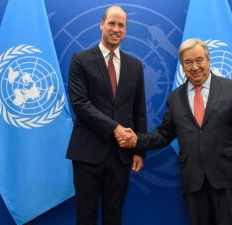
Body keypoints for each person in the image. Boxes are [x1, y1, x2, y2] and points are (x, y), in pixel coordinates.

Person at [117, 38, 232, 225]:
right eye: (188, 62)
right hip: (194, 180)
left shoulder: (231, 89)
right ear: (182, 66)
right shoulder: (175, 98)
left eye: (199, 60)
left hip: (228, 178)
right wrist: (137, 140)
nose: (195, 66)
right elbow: (164, 134)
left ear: (208, 61)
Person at [66, 6, 147, 225]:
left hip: (121, 155)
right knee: (86, 216)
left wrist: (139, 150)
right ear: (101, 24)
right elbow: (80, 104)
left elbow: (139, 110)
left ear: (126, 30)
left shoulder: (135, 66)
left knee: (114, 215)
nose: (116, 29)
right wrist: (115, 128)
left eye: (121, 25)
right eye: (112, 23)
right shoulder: (80, 60)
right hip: (87, 152)